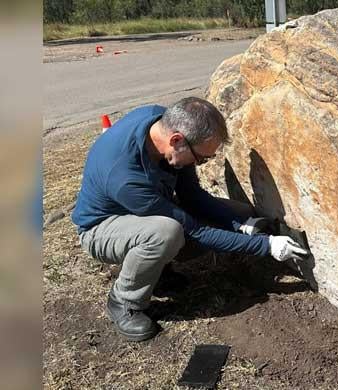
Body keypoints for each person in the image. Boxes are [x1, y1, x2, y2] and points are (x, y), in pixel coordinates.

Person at [71, 97, 308, 342]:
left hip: (145, 210)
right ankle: (124, 301)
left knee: (238, 211)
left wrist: (241, 225)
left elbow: (192, 196)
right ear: (176, 141)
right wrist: (267, 246)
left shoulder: (163, 123)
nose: (200, 163)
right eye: (201, 158)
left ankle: (157, 270)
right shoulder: (125, 176)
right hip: (102, 228)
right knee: (166, 233)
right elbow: (196, 230)